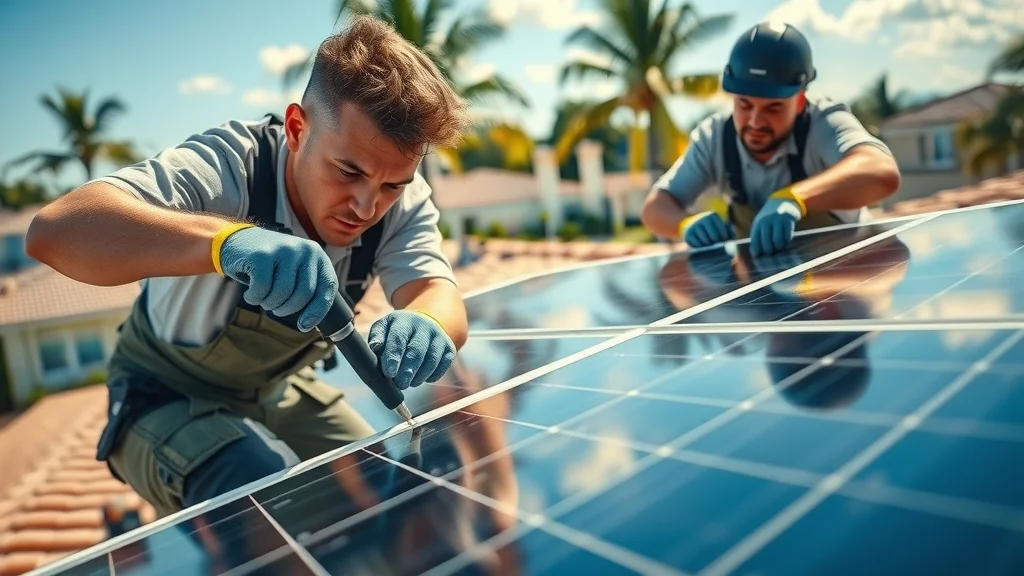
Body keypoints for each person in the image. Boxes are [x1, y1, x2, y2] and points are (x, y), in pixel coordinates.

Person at [25, 15, 471, 520]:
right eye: (348, 171)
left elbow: (436, 290)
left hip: (278, 392)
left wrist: (429, 321)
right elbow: (54, 232)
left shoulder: (403, 198)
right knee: (256, 499)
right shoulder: (230, 166)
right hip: (163, 394)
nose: (367, 207)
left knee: (387, 489)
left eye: (392, 185)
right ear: (297, 129)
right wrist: (227, 241)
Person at [640, 21, 902, 257]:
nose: (755, 122)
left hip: (845, 278)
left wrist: (794, 198)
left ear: (799, 101)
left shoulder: (823, 122)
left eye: (773, 107)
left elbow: (882, 172)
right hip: (761, 291)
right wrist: (684, 223)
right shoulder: (715, 137)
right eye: (744, 104)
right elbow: (654, 209)